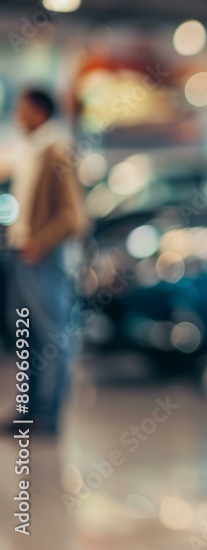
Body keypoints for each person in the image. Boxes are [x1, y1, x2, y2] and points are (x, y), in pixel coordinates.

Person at [0, 88, 90, 435]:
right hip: (23, 257)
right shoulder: (32, 150)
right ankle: (29, 409)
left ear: (40, 112)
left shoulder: (57, 150)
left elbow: (74, 216)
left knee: (51, 336)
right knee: (26, 335)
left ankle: (48, 413)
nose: (18, 116)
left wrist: (41, 243)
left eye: (23, 110)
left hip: (43, 259)